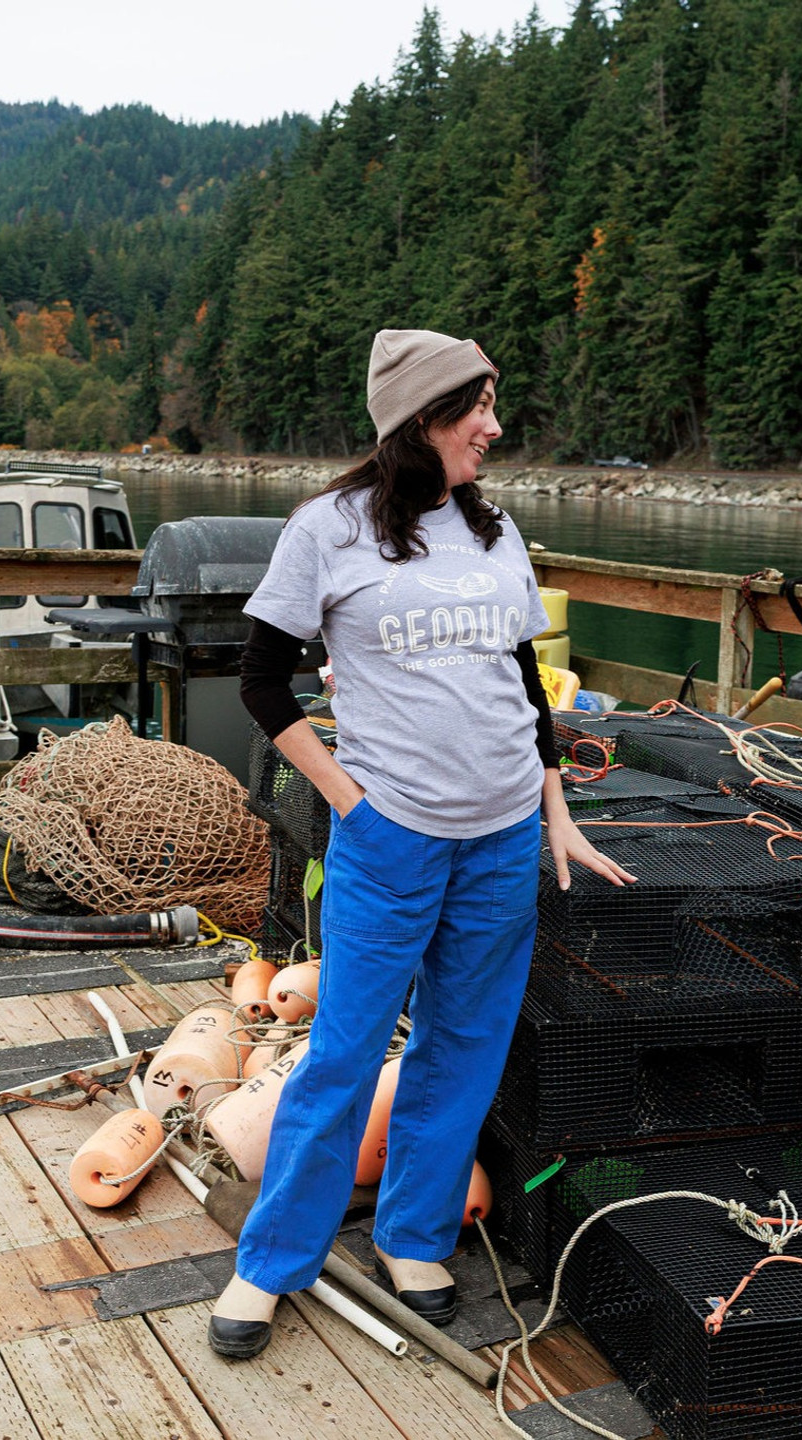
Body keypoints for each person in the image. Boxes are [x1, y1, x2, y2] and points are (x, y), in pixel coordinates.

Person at [209, 328, 633, 1359]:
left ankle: (413, 1235)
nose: (495, 426)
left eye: (493, 403)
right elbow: (260, 682)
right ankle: (271, 1264)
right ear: (418, 419)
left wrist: (557, 811)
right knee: (343, 1054)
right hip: (391, 839)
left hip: (499, 838)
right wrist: (353, 803)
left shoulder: (496, 533)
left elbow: (524, 684)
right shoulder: (329, 529)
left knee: (463, 1047)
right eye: (475, 407)